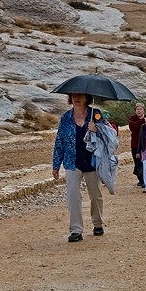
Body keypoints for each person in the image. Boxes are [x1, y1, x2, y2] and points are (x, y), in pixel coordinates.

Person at [52, 93, 105, 242]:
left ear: (86, 98)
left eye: (80, 95)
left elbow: (108, 136)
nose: (76, 98)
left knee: (95, 195)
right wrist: (56, 165)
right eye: (74, 95)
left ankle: (98, 223)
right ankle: (76, 230)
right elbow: (60, 141)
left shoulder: (96, 114)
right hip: (72, 162)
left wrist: (97, 129)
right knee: (73, 195)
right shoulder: (66, 118)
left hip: (92, 161)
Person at [127, 102, 146, 187]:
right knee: (137, 162)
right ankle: (140, 179)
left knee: (144, 162)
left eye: (140, 109)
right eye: (137, 109)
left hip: (145, 144)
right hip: (135, 144)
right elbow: (133, 127)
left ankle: (144, 180)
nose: (138, 111)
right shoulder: (132, 118)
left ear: (144, 110)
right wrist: (142, 121)